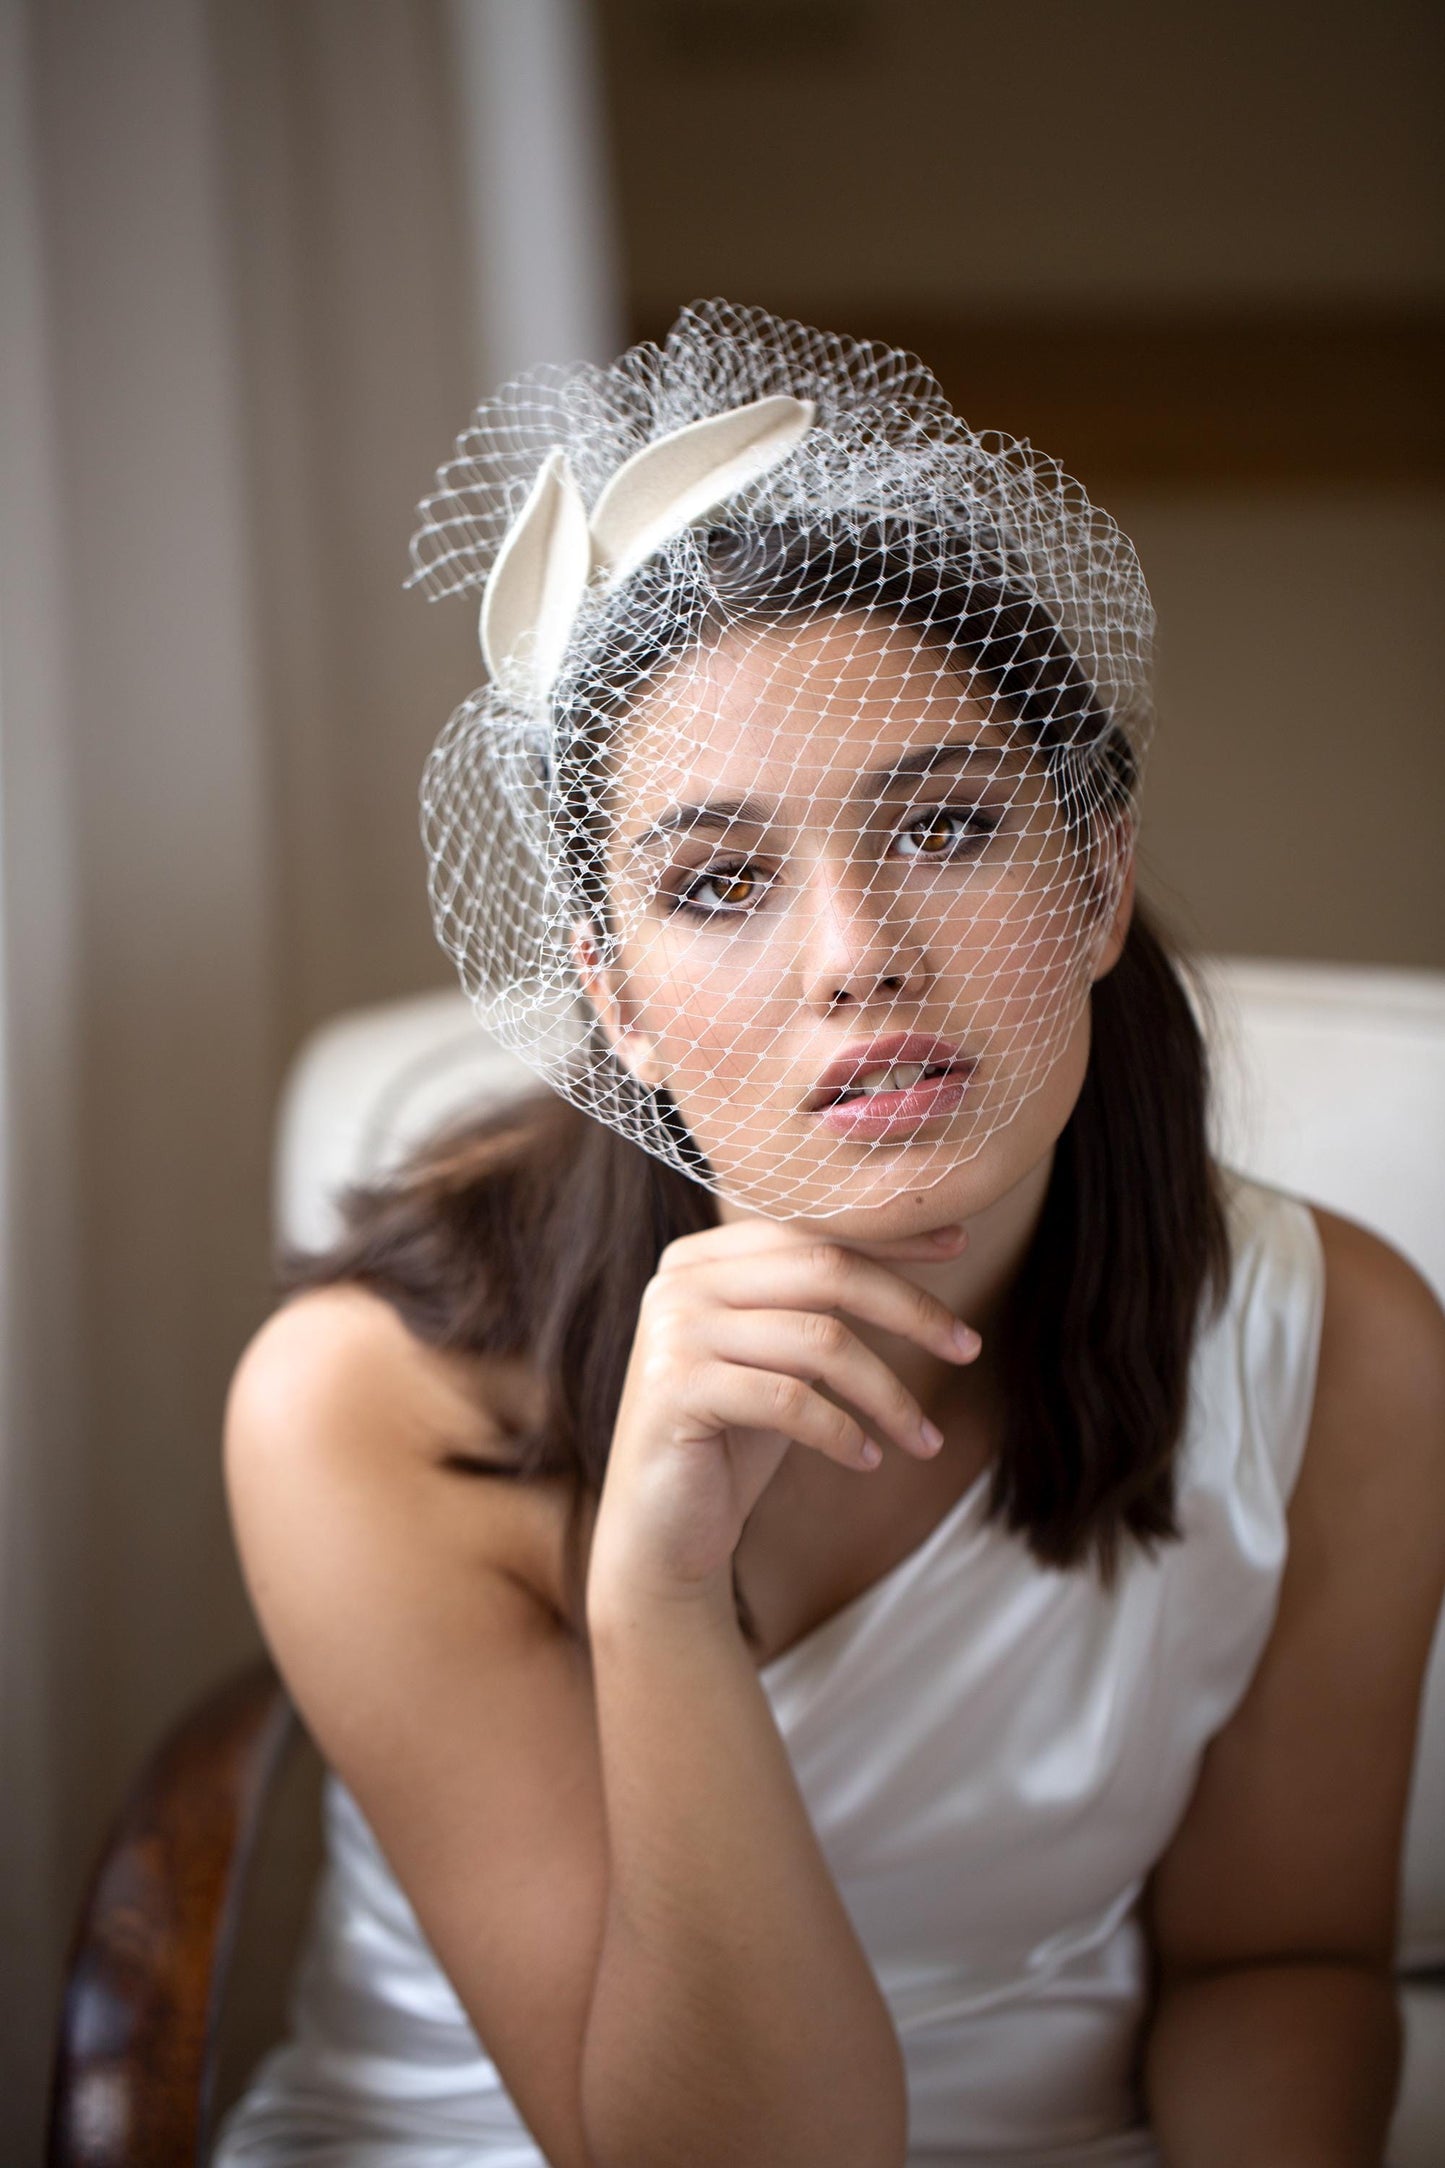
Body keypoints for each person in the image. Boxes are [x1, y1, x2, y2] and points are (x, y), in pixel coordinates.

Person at [213, 303, 1445, 2168]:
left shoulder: (1343, 1352)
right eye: (719, 882)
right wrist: (657, 1598)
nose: (854, 951)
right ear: (609, 996)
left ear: (1096, 882)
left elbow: (1273, 1967)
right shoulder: (365, 1413)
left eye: (945, 829)